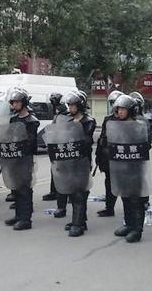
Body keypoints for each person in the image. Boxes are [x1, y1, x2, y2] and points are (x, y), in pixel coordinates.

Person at [46, 91, 96, 236]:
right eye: (69, 105)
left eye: (73, 105)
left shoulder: (88, 121)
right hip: (68, 160)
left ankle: (78, 224)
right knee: (72, 191)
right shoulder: (67, 120)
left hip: (82, 161)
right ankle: (79, 220)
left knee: (80, 192)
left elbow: (85, 141)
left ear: (80, 106)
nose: (70, 108)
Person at [107, 95, 152, 243]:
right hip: (121, 166)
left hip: (135, 167)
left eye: (123, 109)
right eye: (118, 109)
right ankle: (128, 224)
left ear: (131, 110)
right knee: (125, 197)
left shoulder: (140, 125)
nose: (119, 112)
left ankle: (137, 229)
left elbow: (146, 144)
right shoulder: (115, 125)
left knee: (135, 199)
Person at [1, 88, 39, 230]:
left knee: (24, 188)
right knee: (16, 187)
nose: (14, 105)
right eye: (13, 102)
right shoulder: (14, 119)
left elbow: (30, 141)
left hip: (25, 158)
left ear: (23, 102)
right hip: (14, 157)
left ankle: (25, 219)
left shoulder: (31, 121)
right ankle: (18, 215)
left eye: (16, 102)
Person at [93, 90, 124, 217]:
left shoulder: (127, 120)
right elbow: (102, 139)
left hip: (123, 157)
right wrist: (98, 156)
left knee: (125, 184)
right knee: (109, 183)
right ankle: (109, 207)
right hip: (108, 157)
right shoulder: (108, 119)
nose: (114, 106)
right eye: (112, 103)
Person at [42, 92, 68, 203]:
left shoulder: (63, 110)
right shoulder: (57, 111)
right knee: (54, 169)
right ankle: (54, 191)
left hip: (62, 144)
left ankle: (63, 192)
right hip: (54, 143)